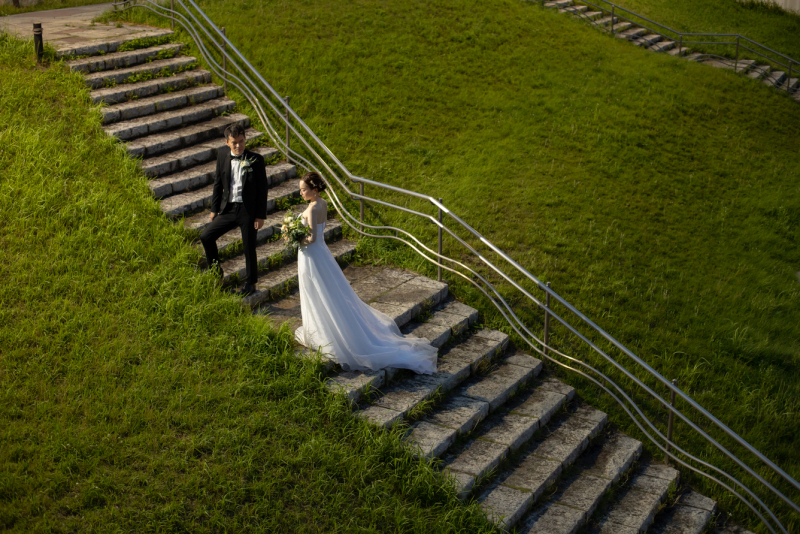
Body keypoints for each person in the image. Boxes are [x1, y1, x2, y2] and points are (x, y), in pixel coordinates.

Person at [293, 172, 438, 375]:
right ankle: (323, 327)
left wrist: (294, 238)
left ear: (314, 190)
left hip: (312, 255)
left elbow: (312, 238)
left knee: (316, 290)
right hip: (321, 253)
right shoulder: (322, 203)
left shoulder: (312, 208)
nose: (301, 193)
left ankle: (322, 332)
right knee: (326, 291)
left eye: (304, 189)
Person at [200, 124, 268, 297]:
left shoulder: (256, 160)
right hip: (228, 208)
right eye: (234, 142)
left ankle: (251, 283)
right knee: (206, 236)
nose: (238, 146)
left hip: (248, 210)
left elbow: (263, 190)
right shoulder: (222, 155)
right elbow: (218, 183)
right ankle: (216, 274)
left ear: (245, 139)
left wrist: (260, 215)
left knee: (248, 246)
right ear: (227, 142)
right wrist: (214, 209)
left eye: (241, 141)